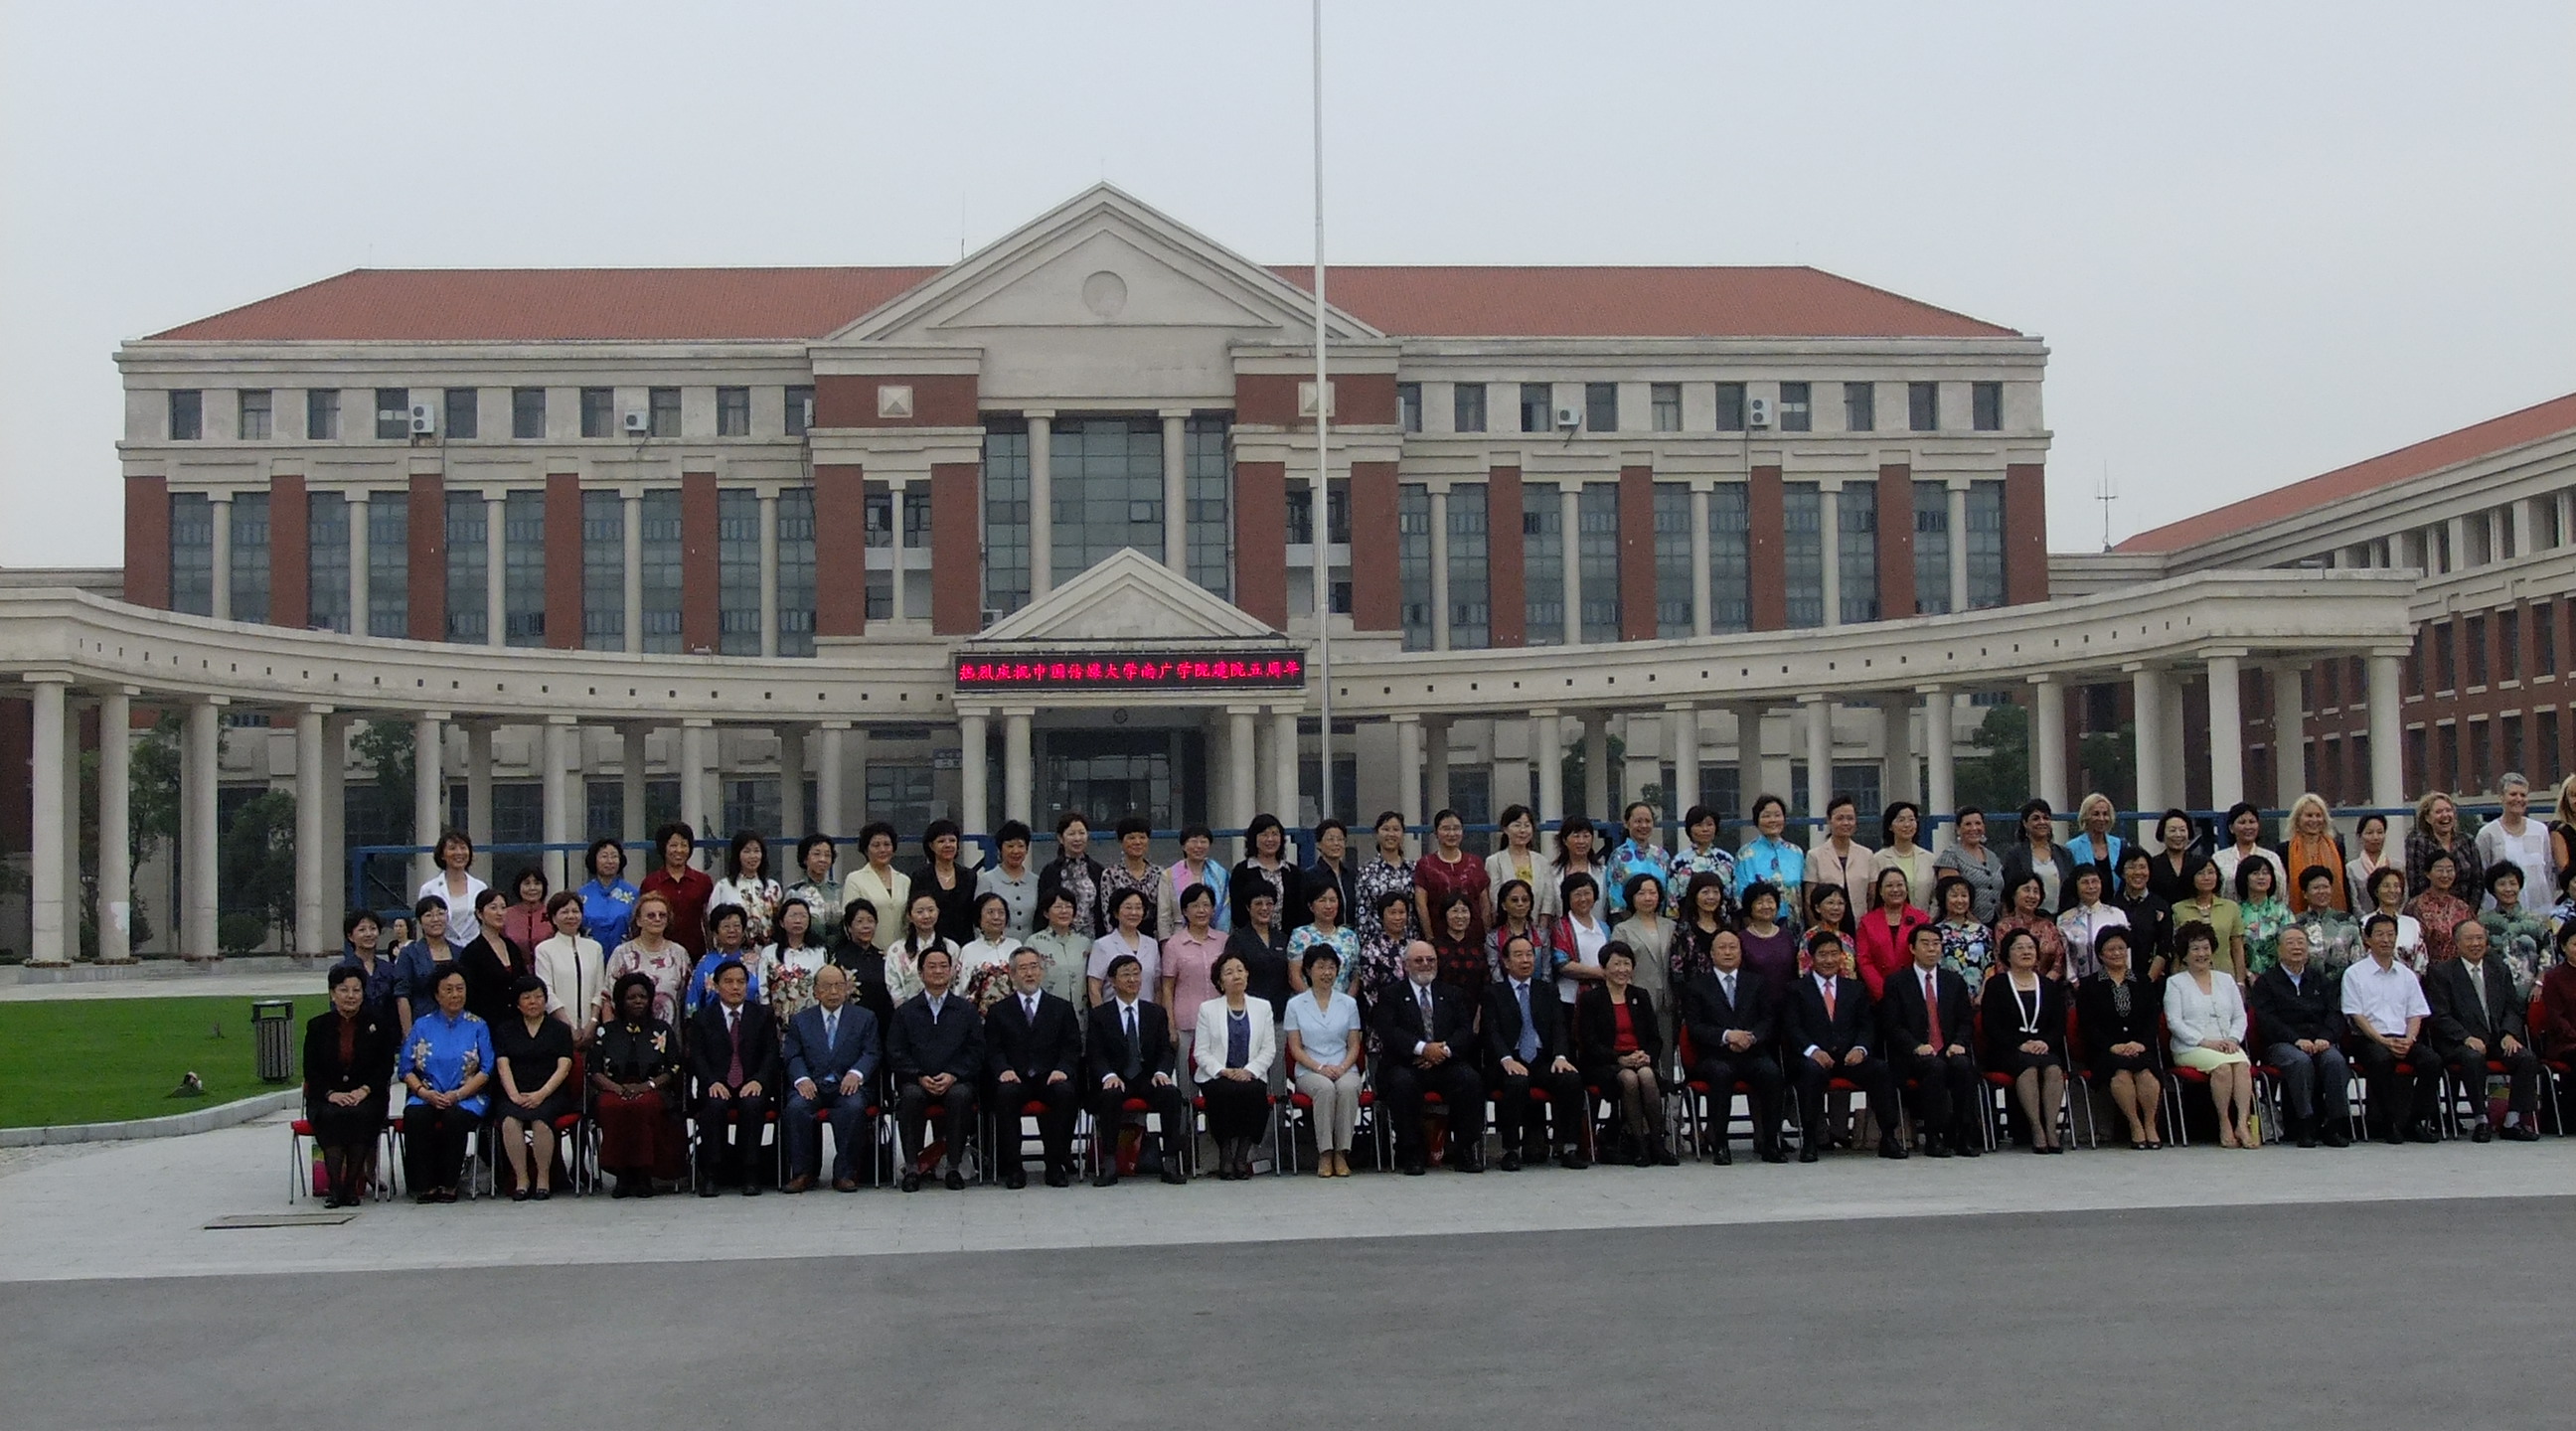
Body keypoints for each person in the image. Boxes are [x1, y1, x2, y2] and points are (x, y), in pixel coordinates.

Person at [1370, 941, 1488, 1175]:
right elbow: (1389, 1031)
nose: (1425, 965)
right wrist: (1423, 1049)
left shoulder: (1452, 993)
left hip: (1446, 1062)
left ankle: (1464, 1150)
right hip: (1407, 1063)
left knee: (1470, 1080)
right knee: (1402, 1085)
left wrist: (1442, 1051)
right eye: (1419, 960)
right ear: (1405, 965)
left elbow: (1466, 1030)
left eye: (1430, 960)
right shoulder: (1391, 995)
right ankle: (1412, 1152)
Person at [2421, 919, 2544, 1142]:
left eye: (2480, 938)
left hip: (2497, 1037)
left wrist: (2508, 1033)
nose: (2476, 944)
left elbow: (2513, 1007)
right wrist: (2466, 1037)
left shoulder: (2498, 968)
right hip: (2460, 1042)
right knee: (2472, 1058)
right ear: (2457, 943)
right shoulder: (2442, 973)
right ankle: (2481, 1119)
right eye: (2469, 939)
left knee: (2526, 1058)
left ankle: (2512, 1120)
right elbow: (2439, 1015)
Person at [1785, 934, 1903, 1161]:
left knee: (1880, 1070)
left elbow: (1867, 1025)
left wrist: (1860, 1048)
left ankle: (1888, 1137)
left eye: (1833, 954)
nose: (1829, 960)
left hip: (1849, 1057)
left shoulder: (1855, 988)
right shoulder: (1796, 989)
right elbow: (1792, 1027)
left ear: (1842, 957)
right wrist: (1813, 1051)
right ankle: (1810, 1139)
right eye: (1822, 954)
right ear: (1811, 958)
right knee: (1810, 1073)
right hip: (1813, 1058)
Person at [1679, 926, 1788, 1164]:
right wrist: (1728, 1036)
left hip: (1751, 1051)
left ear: (1741, 952)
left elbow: (1768, 1020)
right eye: (1722, 948)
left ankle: (1771, 1142)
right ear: (1712, 954)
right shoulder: (1697, 986)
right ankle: (1720, 1144)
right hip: (1714, 1055)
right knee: (1721, 1074)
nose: (1728, 953)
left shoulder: (1757, 983)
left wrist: (1751, 1038)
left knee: (1771, 1072)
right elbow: (1695, 1027)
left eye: (1733, 947)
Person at [1484, 932, 1587, 1170]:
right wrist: (1506, 1059)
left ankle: (1569, 1147)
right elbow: (1491, 1032)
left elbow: (1559, 1026)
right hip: (1510, 1059)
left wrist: (1561, 1056)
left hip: (1542, 1059)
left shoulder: (1547, 990)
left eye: (1530, 954)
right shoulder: (1494, 993)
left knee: (1571, 1079)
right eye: (1518, 955)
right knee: (1516, 1082)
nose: (1525, 960)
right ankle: (1511, 1149)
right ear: (1506, 962)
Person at [1084, 953, 1189, 1187]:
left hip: (1147, 1077)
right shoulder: (1100, 1015)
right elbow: (1095, 1053)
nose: (1132, 980)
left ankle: (1170, 1160)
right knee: (1109, 1096)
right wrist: (1108, 1076)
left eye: (1136, 974)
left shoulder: (1155, 1012)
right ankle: (1109, 1162)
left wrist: (1162, 1072)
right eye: (1126, 975)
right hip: (1117, 1077)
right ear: (1112, 981)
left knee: (1171, 1095)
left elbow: (1166, 1050)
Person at [886, 946, 983, 1192]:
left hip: (955, 1080)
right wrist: (918, 1075)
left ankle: (952, 1167)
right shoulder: (906, 1011)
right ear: (920, 972)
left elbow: (976, 1050)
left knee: (961, 1096)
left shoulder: (966, 1010)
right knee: (909, 1097)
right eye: (932, 966)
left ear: (951, 971)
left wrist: (954, 1074)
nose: (938, 971)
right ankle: (912, 1167)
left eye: (943, 966)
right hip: (916, 1080)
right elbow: (895, 1051)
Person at [983, 946, 1082, 1189]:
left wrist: (1063, 1069)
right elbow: (992, 1049)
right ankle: (1014, 1167)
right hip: (1016, 1077)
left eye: (1034, 967)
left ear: (1042, 971)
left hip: (1050, 1075)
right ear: (1013, 975)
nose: (1029, 973)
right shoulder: (999, 1011)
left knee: (1066, 1092)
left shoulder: (1061, 1007)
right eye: (1023, 968)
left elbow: (1072, 1047)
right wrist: (1003, 1070)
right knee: (1005, 1093)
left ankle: (1056, 1163)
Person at [1879, 923, 1981, 1158]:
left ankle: (1963, 1135)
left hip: (1948, 1048)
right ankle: (1934, 1137)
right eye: (1925, 944)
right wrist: (1915, 1046)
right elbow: (1892, 1025)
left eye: (1936, 944)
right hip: (1912, 1053)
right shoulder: (1897, 982)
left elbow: (1966, 1020)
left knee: (1963, 1066)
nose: (1932, 949)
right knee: (1934, 1068)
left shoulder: (1953, 981)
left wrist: (1959, 1043)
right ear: (1913, 948)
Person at [2342, 913, 2444, 1144]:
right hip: (2369, 1038)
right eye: (2380, 935)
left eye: (2391, 935)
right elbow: (2356, 1015)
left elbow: (2416, 1012)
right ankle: (2389, 1122)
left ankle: (2414, 1120)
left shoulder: (2407, 975)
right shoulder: (2354, 974)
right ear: (2367, 939)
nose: (2386, 940)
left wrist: (2409, 1039)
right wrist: (2383, 1041)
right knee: (2381, 1060)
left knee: (2432, 1061)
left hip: (2403, 1037)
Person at [2249, 924, 2351, 1149]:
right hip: (2283, 1043)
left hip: (2319, 1041)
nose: (2297, 948)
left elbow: (2335, 1013)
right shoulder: (2267, 982)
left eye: (2301, 943)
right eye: (2290, 943)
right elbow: (2267, 1020)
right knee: (2299, 1061)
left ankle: (2336, 1124)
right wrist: (2296, 1039)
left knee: (2335, 1061)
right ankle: (2305, 1123)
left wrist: (2326, 1037)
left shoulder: (2319, 978)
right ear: (2278, 950)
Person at [781, 964, 881, 1192]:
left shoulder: (865, 1018)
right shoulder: (801, 1020)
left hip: (848, 1085)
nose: (834, 992)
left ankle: (845, 1173)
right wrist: (801, 1079)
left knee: (853, 1107)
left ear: (847, 988)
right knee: (796, 1108)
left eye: (839, 985)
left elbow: (872, 1052)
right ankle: (803, 1173)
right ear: (816, 991)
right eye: (827, 986)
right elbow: (793, 1055)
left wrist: (856, 1073)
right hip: (813, 1084)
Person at [303, 966, 396, 1206]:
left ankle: (353, 1186)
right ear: (333, 993)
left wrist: (363, 1090)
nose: (351, 995)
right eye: (344, 990)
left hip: (367, 1095)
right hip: (327, 1097)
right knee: (331, 1115)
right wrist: (331, 1094)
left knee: (360, 1115)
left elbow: (385, 1067)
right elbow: (311, 1070)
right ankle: (335, 1187)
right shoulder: (317, 1026)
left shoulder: (377, 1024)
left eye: (356, 990)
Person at [399, 966, 492, 1202]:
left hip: (467, 1095)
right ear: (437, 995)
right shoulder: (422, 1025)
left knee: (455, 1118)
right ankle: (425, 1185)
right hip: (427, 1092)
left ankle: (449, 1184)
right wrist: (423, 1092)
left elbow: (487, 1068)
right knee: (416, 1116)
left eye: (460, 989)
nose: (455, 995)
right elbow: (406, 1068)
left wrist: (458, 1095)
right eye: (448, 990)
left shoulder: (478, 1025)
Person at [687, 958, 780, 1195]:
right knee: (714, 1107)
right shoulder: (703, 1018)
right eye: (728, 982)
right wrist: (711, 1081)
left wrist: (759, 1080)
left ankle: (750, 1172)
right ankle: (711, 1174)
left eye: (741, 982)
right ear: (716, 986)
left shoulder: (762, 1015)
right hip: (717, 1084)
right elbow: (697, 1057)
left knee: (753, 1105)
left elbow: (771, 1054)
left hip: (751, 1083)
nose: (735, 987)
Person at [1577, 944, 1677, 1167]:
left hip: (1639, 1059)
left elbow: (1654, 1038)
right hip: (1605, 1064)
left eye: (1626, 964)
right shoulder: (1591, 999)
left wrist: (1646, 1055)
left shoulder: (1639, 996)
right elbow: (1590, 1042)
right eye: (1616, 964)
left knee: (1646, 1075)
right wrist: (1619, 1059)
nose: (1622, 969)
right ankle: (1639, 1145)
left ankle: (1658, 1144)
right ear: (1604, 968)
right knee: (1630, 1078)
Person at [2165, 922, 2256, 1148]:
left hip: (2228, 1045)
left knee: (2242, 1067)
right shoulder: (2175, 983)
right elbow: (2174, 1022)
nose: (2201, 954)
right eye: (2195, 949)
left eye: (2205, 948)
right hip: (2191, 1047)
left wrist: (2234, 1039)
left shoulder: (2226, 980)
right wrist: (2206, 1042)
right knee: (2223, 1069)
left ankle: (2242, 1124)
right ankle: (2224, 1123)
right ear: (2185, 954)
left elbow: (2240, 1016)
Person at [2075, 927, 2166, 1150]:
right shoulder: (2089, 986)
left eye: (2121, 948)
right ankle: (2134, 1125)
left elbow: (2151, 1019)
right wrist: (2112, 1046)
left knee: (2146, 1072)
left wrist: (2140, 1043)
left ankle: (2149, 1124)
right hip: (2105, 1050)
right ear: (2100, 954)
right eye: (2110, 949)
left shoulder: (2143, 981)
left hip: (2139, 1047)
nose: (2116, 953)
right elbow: (2088, 1024)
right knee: (2122, 1072)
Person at [590, 973, 679, 1197]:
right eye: (631, 997)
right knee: (613, 1106)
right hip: (614, 1088)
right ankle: (622, 1175)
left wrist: (647, 1086)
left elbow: (673, 1068)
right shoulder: (606, 1031)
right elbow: (595, 1070)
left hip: (653, 1088)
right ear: (621, 1001)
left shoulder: (662, 1030)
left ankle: (643, 1175)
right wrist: (616, 1088)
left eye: (642, 996)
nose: (638, 1001)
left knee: (643, 1106)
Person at [1193, 950, 1276, 1180]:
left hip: (1251, 1074)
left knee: (1255, 1092)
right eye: (1229, 972)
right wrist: (1224, 1071)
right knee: (1222, 1092)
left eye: (1240, 970)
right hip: (1218, 1075)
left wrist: (1249, 1071)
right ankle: (1225, 1153)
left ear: (1248, 975)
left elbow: (1269, 1049)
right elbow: (1201, 1051)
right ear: (1220, 981)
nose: (1236, 976)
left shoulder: (1263, 1007)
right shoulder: (1207, 1009)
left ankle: (1242, 1154)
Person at [1985, 929, 2071, 1153]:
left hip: (2043, 1046)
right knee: (2028, 1067)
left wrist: (2045, 1042)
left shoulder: (2048, 986)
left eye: (2031, 947)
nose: (2026, 952)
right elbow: (1991, 1025)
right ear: (2007, 954)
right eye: (2019, 947)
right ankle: (2036, 1129)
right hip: (2008, 1048)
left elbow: (2058, 1024)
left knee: (2053, 1068)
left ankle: (2051, 1128)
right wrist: (2019, 1043)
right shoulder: (1997, 985)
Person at [492, 975, 576, 1201]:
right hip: (515, 1092)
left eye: (538, 997)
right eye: (527, 997)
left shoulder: (559, 1029)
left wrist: (541, 1094)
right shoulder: (506, 1030)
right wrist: (514, 1096)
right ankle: (521, 1179)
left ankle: (544, 1179)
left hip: (551, 1093)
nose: (533, 1002)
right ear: (518, 1003)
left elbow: (564, 1066)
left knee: (541, 1120)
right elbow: (503, 1064)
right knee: (510, 1121)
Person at [1283, 946, 1365, 1177]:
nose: (1326, 973)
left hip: (1343, 1065)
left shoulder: (1348, 1003)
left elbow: (1354, 1044)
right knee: (1325, 1089)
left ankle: (1342, 1153)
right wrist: (1319, 1067)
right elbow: (1295, 1048)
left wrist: (1341, 1067)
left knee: (1348, 1087)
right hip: (1309, 1069)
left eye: (1331, 967)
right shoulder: (1296, 1004)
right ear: (1308, 970)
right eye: (1321, 967)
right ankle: (1325, 1153)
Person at [603, 890, 691, 1026]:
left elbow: (686, 1000)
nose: (657, 919)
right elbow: (608, 999)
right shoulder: (622, 953)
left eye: (662, 915)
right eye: (651, 915)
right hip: (629, 1035)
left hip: (669, 1035)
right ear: (638, 920)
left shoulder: (679, 953)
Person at [1610, 874, 1676, 1050]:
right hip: (1637, 997)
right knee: (1643, 1047)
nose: (1648, 898)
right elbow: (1618, 966)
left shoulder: (1671, 926)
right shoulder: (1622, 929)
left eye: (1652, 893)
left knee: (1668, 1048)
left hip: (1669, 999)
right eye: (1641, 893)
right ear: (1631, 897)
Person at [530, 890, 604, 1043]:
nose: (571, 916)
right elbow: (547, 991)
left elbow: (600, 989)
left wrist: (593, 1021)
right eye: (564, 912)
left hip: (590, 1029)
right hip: (557, 1028)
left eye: (575, 911)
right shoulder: (544, 949)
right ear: (553, 919)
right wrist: (568, 1026)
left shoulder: (594, 948)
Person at [2474, 772, 2552, 910]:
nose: (2519, 799)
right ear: (2501, 798)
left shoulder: (2540, 830)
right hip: (2501, 913)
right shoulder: (2487, 834)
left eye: (2523, 795)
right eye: (2513, 794)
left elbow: (2548, 870)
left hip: (2540, 909)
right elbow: (2481, 875)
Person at [455, 886, 530, 1029]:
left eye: (503, 908)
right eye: (493, 908)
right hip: (485, 1024)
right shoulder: (471, 952)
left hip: (516, 1024)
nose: (500, 913)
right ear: (479, 913)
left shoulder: (511, 947)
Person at [1852, 866, 1931, 999]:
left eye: (1900, 885)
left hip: (1914, 992)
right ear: (1881, 891)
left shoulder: (1921, 919)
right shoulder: (1867, 922)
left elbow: (1926, 955)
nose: (1895, 890)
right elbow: (1864, 960)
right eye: (1889, 885)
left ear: (1906, 889)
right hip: (1879, 996)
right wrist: (1884, 991)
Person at [1415, 809, 1491, 946]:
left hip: (1474, 937)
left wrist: (1487, 935)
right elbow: (1421, 905)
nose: (1451, 834)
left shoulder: (1475, 862)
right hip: (1439, 937)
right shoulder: (1425, 864)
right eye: (1445, 829)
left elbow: (1484, 903)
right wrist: (1429, 938)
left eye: (1456, 828)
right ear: (1436, 833)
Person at [639, 822, 714, 959]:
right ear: (663, 848)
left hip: (696, 953)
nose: (679, 850)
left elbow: (708, 920)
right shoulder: (651, 883)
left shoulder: (703, 881)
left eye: (684, 845)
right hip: (658, 953)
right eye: (673, 845)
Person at [2477, 866, 2552, 1000]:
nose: (2508, 889)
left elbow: (2548, 953)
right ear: (2492, 888)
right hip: (2494, 991)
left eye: (2513, 883)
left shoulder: (2536, 920)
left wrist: (2540, 983)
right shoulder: (2482, 921)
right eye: (2501, 884)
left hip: (2531, 991)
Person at [2055, 865, 2130, 984]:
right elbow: (2065, 956)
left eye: (2095, 881)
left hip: (2113, 982)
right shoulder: (2064, 919)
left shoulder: (2116, 914)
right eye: (2085, 882)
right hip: (2077, 985)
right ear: (2076, 886)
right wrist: (2073, 981)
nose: (2091, 887)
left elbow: (2126, 952)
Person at [2175, 857, 2246, 983]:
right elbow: (2176, 952)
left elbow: (2237, 948)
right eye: (2200, 873)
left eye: (2211, 872)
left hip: (2225, 975)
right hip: (2189, 977)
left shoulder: (2231, 907)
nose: (2206, 877)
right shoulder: (2178, 909)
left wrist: (2240, 981)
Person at [1087, 887, 1161, 1008]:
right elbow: (1094, 987)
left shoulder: (1152, 944)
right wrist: (1102, 1018)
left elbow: (1158, 987)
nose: (1134, 912)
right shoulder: (1102, 945)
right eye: (1128, 907)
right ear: (1116, 912)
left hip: (1147, 1015)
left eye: (1138, 908)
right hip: (1113, 1016)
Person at [685, 904, 765, 1015]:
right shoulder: (705, 963)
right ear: (715, 933)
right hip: (713, 1026)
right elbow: (693, 1003)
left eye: (737, 926)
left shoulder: (757, 961)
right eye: (726, 926)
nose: (732, 930)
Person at [1038, 811, 1106, 938]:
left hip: (1093, 939)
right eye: (1071, 834)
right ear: (1060, 838)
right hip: (1058, 938)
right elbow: (1042, 910)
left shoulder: (1097, 870)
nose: (1077, 838)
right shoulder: (1050, 871)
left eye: (1081, 833)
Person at [1805, 795, 1876, 917]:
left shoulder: (1867, 855)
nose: (1846, 823)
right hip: (1826, 925)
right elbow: (1808, 900)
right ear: (1829, 820)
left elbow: (1872, 897)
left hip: (1860, 924)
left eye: (1850, 818)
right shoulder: (1815, 855)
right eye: (1840, 818)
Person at [415, 829, 486, 951]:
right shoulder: (429, 889)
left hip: (475, 952)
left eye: (463, 848)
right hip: (441, 952)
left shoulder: (480, 888)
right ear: (442, 855)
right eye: (452, 848)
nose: (459, 852)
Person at [1225, 888, 1293, 1015]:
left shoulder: (1282, 938)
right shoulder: (1237, 939)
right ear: (1248, 907)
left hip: (1280, 1012)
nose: (1264, 908)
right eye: (1258, 904)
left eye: (1269, 904)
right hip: (1249, 1011)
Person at [912, 819, 980, 946]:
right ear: (931, 846)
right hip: (931, 944)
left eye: (952, 840)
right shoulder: (921, 876)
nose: (948, 845)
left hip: (965, 944)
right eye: (941, 841)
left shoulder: (969, 876)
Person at [840, 822, 912, 940]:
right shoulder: (855, 879)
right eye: (876, 845)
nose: (882, 849)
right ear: (866, 849)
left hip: (900, 953)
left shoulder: (904, 880)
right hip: (868, 952)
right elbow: (849, 919)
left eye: (887, 844)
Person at [1231, 813, 1303, 931]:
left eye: (1274, 834)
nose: (1270, 839)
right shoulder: (1242, 871)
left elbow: (1299, 910)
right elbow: (1238, 912)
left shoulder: (1293, 872)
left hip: (1289, 940)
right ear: (1254, 838)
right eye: (1264, 834)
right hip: (1252, 941)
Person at [2405, 791, 2483, 900]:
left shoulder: (2467, 840)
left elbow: (2477, 882)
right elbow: (2416, 885)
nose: (2445, 815)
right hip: (2427, 910)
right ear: (2427, 818)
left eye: (2448, 810)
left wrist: (2467, 912)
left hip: (2465, 909)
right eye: (2438, 812)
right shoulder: (2417, 842)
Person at [711, 831, 783, 947]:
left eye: (756, 851)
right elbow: (713, 924)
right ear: (737, 854)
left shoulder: (773, 887)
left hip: (768, 954)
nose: (752, 856)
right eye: (747, 851)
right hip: (734, 954)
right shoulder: (723, 887)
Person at [954, 892, 1025, 1011]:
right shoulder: (969, 950)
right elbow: (960, 991)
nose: (996, 917)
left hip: (1013, 1015)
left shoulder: (1016, 946)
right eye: (990, 912)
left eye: (1001, 912)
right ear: (979, 917)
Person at [331, 908, 402, 1027]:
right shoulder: (341, 970)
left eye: (373, 929)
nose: (369, 934)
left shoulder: (390, 969)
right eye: (362, 930)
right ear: (350, 936)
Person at [1933, 807, 2005, 924]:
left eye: (1978, 823)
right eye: (1968, 824)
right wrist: (1977, 926)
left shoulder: (1993, 856)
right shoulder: (1950, 857)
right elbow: (1950, 897)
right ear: (1958, 829)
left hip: (1996, 923)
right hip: (1963, 925)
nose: (1974, 828)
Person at [1735, 795, 1806, 912]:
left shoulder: (1796, 852)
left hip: (1794, 923)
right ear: (1756, 820)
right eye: (1766, 816)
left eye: (1777, 815)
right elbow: (1740, 895)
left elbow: (1803, 890)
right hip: (1759, 923)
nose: (1772, 820)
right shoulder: (1745, 854)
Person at [1099, 815, 1165, 940]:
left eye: (1142, 837)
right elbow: (1107, 913)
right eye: (1131, 838)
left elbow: (1163, 913)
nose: (1137, 842)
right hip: (1120, 937)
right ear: (1121, 841)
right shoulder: (1111, 874)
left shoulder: (1159, 873)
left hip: (1152, 937)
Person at [1159, 824, 1231, 936]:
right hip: (1179, 937)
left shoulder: (1220, 875)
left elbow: (1225, 911)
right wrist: (1165, 943)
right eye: (1193, 841)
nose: (1198, 846)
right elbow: (1164, 916)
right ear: (1183, 846)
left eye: (1203, 842)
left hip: (1215, 937)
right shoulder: (1169, 875)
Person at [1354, 810, 1416, 941]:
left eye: (1396, 829)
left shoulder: (1414, 869)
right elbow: (1362, 913)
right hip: (1377, 945)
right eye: (1386, 829)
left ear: (1402, 833)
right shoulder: (1366, 871)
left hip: (1410, 941)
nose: (1391, 834)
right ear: (1377, 833)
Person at [2282, 794, 2349, 914]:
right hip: (2296, 917)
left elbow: (2344, 884)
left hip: (2334, 918)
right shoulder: (2285, 850)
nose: (2314, 820)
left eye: (2318, 815)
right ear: (2298, 819)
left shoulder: (2337, 847)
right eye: (2309, 815)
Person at [2112, 848, 2174, 976]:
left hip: (2152, 979)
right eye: (2132, 867)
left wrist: (2147, 983)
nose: (2138, 872)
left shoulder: (2160, 905)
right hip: (2118, 978)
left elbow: (2164, 948)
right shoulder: (2112, 907)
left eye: (2142, 867)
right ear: (2122, 873)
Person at [2406, 851, 2476, 967]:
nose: (2445, 875)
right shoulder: (2415, 906)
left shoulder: (2462, 907)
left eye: (2449, 870)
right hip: (2428, 971)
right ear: (2428, 873)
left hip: (2459, 970)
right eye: (2439, 870)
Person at [1286, 882, 1360, 993]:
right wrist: (1315, 1003)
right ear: (1311, 906)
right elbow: (1294, 975)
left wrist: (1346, 1002)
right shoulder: (1300, 935)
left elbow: (1355, 976)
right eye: (1322, 900)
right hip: (1307, 1004)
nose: (1328, 906)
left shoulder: (1350, 936)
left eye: (1332, 900)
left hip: (1342, 1005)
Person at [1604, 801, 1674, 917]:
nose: (1644, 826)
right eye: (1638, 821)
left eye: (1648, 821)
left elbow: (1669, 892)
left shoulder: (1661, 855)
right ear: (1626, 823)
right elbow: (1615, 898)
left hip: (1660, 922)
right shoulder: (1619, 856)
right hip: (1629, 923)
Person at [764, 897, 830, 1021]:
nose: (798, 920)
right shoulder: (769, 952)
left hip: (811, 1018)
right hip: (777, 1019)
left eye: (803, 916)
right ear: (782, 922)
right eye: (793, 916)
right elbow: (763, 989)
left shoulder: (819, 952)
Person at [887, 890, 958, 1006]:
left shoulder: (951, 948)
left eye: (931, 910)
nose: (926, 916)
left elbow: (956, 984)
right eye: (920, 912)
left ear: (938, 912)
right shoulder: (897, 950)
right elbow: (894, 985)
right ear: (909, 916)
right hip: (909, 1013)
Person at [1485, 805, 1554, 920]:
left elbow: (1548, 899)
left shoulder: (1542, 861)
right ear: (1505, 829)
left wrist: (1542, 927)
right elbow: (1495, 898)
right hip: (1507, 925)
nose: (1522, 830)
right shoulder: (1494, 861)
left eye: (1527, 825)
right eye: (1517, 825)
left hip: (1537, 927)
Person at [1552, 872, 1612, 1006]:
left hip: (1602, 995)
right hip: (1569, 997)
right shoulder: (1560, 927)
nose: (1583, 899)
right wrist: (1599, 973)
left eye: (1587, 893)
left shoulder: (1604, 928)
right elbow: (1561, 964)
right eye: (1577, 894)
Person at [1025, 889, 1092, 1007]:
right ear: (1046, 913)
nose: (1064, 911)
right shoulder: (1034, 942)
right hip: (1047, 1009)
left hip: (1079, 1010)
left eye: (1069, 907)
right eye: (1058, 907)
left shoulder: (1084, 943)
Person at [1993, 874, 2066, 981]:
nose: (2031, 895)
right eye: (2026, 890)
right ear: (2013, 894)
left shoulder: (2048, 926)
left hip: (2047, 986)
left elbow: (2059, 960)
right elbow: (2001, 963)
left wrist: (2045, 983)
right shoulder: (2003, 927)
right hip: (2014, 986)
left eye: (2036, 891)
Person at [973, 821, 1040, 939]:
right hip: (996, 949)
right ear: (1000, 849)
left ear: (1027, 849)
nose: (1016, 851)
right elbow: (978, 922)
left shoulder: (1036, 881)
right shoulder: (987, 880)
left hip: (1029, 951)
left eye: (1021, 846)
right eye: (1010, 846)